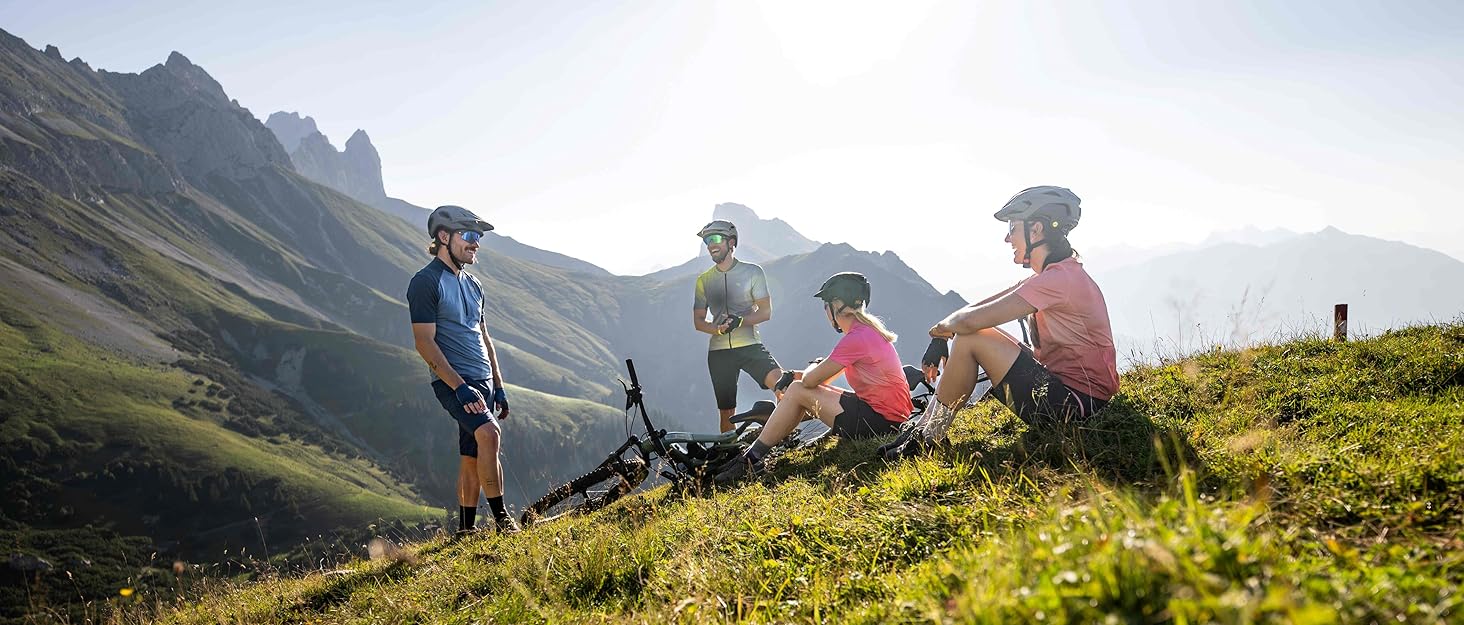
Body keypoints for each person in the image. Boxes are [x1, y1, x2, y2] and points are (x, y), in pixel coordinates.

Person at [882, 186, 1119, 459]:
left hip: (1076, 407)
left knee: (972, 336)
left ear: (1036, 230)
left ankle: (928, 438)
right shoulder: (1056, 275)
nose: (1008, 238)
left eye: (1013, 228)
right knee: (973, 333)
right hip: (1074, 396)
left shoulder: (1058, 281)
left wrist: (940, 332)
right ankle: (924, 431)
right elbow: (976, 308)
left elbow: (969, 321)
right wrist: (943, 334)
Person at [715, 272, 913, 483]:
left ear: (836, 305)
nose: (825, 311)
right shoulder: (867, 332)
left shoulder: (857, 338)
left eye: (825, 305)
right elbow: (822, 377)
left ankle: (750, 460)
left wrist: (805, 373)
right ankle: (761, 445)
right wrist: (792, 375)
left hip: (879, 422)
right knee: (797, 388)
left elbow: (809, 382)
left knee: (798, 390)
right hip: (888, 418)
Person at [407, 205, 519, 534]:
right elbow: (424, 343)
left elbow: (483, 337)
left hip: (482, 379)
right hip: (453, 381)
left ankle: (466, 530)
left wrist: (498, 385)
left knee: (471, 454)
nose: (476, 244)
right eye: (469, 236)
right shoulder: (425, 282)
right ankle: (503, 522)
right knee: (489, 434)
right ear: (444, 237)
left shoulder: (474, 285)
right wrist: (458, 386)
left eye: (478, 238)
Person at [692, 220, 786, 432]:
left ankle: (782, 433)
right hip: (719, 352)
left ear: (731, 242)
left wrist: (740, 321)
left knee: (782, 387)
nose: (710, 245)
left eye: (715, 239)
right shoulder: (703, 280)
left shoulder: (753, 272)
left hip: (750, 345)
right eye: (707, 240)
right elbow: (698, 321)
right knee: (727, 411)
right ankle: (729, 455)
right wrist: (717, 329)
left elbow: (765, 312)